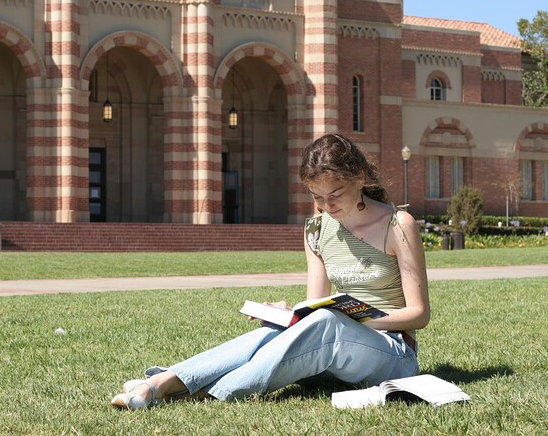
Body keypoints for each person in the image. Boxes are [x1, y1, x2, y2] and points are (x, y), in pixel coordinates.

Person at [110, 133, 430, 410]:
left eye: (335, 195)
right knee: (274, 332)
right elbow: (314, 307)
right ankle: (167, 380)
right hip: (331, 355)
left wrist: (360, 319)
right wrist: (290, 315)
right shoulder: (317, 229)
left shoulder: (397, 225)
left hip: (392, 354)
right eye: (317, 198)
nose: (327, 206)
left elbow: (419, 314)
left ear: (359, 178)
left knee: (328, 322)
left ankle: (193, 391)